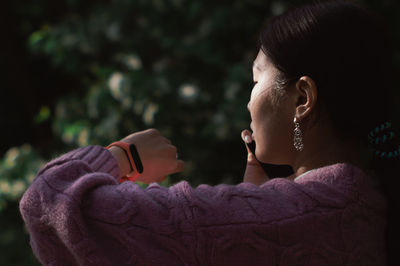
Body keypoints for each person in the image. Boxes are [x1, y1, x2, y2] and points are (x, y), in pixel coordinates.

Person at [20, 0, 398, 265]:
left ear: (302, 98)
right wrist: (258, 200)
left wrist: (123, 156)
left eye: (255, 80)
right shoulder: (372, 204)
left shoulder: (284, 218)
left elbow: (48, 202)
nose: (248, 103)